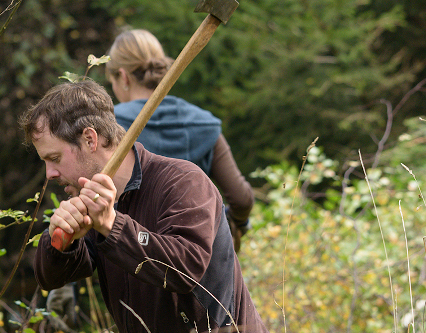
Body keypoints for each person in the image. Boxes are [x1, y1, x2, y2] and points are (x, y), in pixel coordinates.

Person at [22, 80, 267, 332]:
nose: (49, 173)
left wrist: (112, 225)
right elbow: (51, 278)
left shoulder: (183, 181)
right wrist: (60, 244)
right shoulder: (93, 199)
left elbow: (186, 267)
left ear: (89, 139)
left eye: (54, 158)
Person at [105, 29, 255, 252]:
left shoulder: (109, 127)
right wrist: (237, 225)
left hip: (137, 259)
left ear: (123, 77)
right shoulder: (203, 123)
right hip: (197, 260)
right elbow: (241, 199)